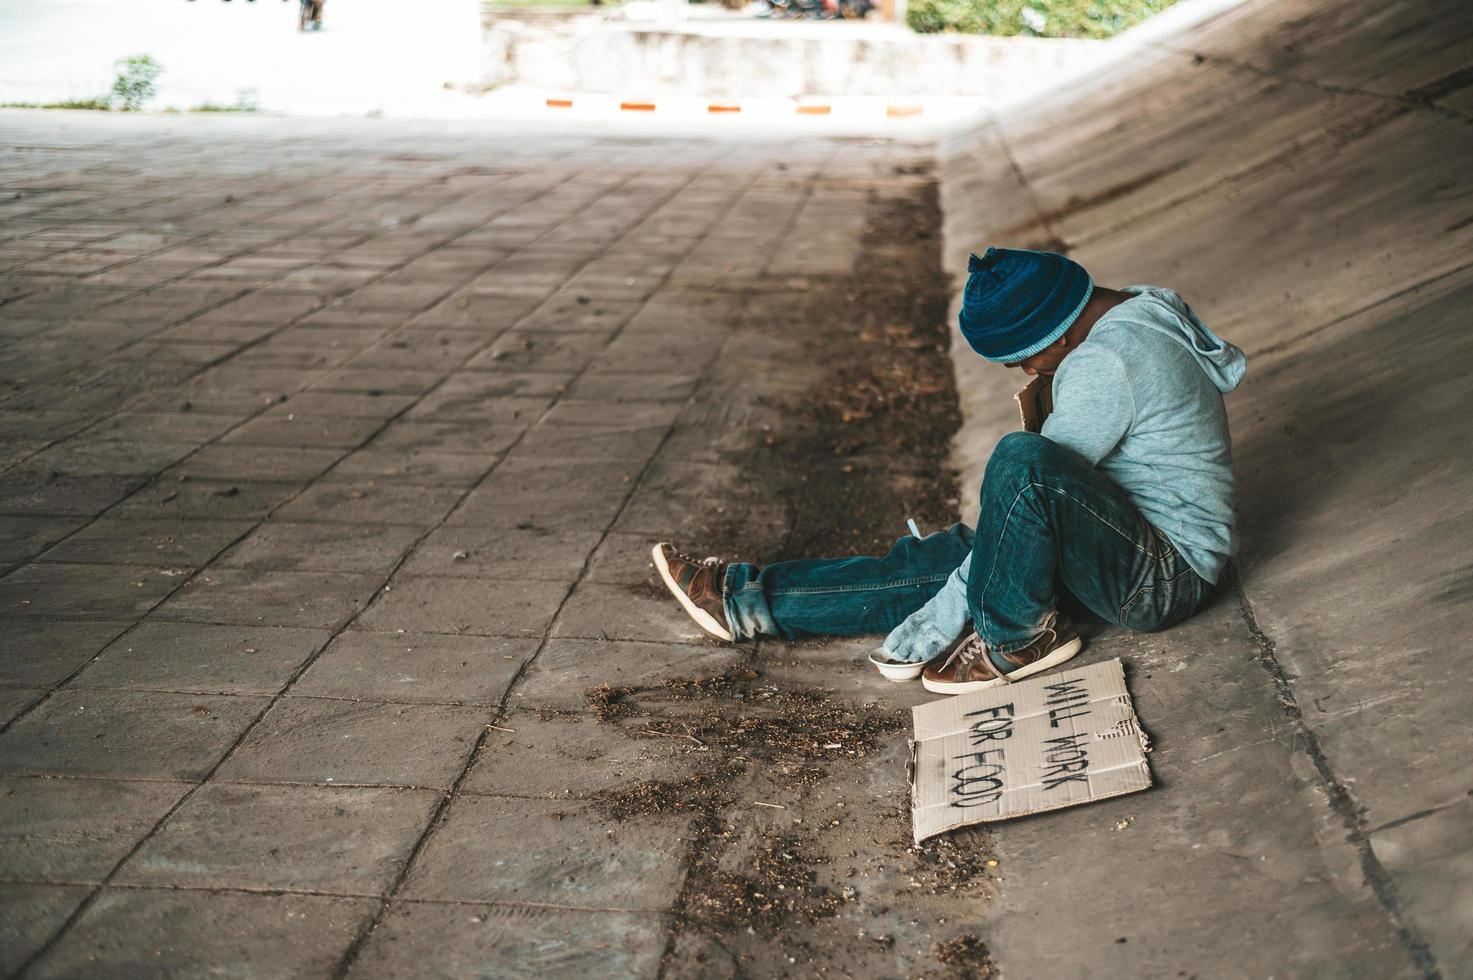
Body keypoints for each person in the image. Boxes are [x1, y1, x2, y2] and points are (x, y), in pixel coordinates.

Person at [653, 246, 1246, 696]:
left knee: (1021, 461)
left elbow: (1034, 485)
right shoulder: (1138, 307)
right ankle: (744, 602)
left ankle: (1016, 640)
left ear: (1059, 332)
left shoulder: (1107, 364)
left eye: (1022, 358)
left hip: (1164, 577)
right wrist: (968, 578)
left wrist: (948, 614)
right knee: (948, 561)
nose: (1023, 372)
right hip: (1125, 541)